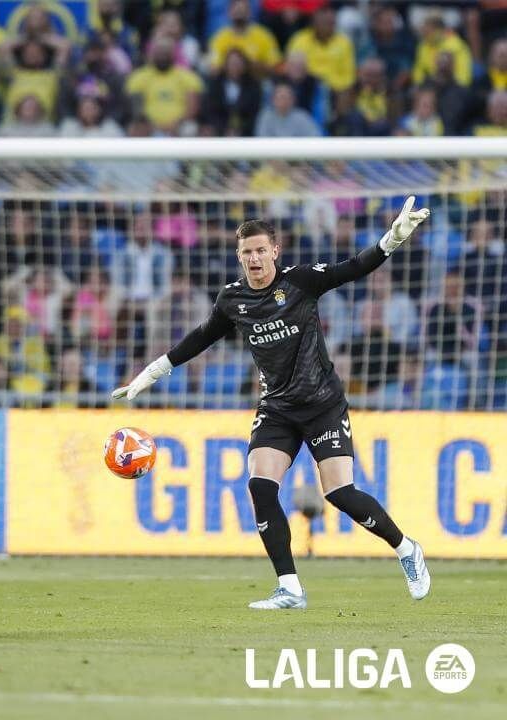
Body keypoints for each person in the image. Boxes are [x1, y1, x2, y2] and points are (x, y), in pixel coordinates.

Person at [114, 199, 433, 609]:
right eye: (247, 252)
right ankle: (290, 588)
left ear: (275, 252)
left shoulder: (300, 281)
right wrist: (148, 374)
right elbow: (199, 338)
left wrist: (392, 239)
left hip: (322, 404)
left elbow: (353, 267)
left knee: (338, 492)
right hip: (278, 408)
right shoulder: (233, 300)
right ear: (239, 257)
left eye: (261, 250)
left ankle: (407, 548)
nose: (255, 258)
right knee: (261, 486)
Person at [207, 0, 282, 76]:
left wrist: (253, 66)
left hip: (257, 82)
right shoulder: (220, 38)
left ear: (250, 13)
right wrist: (234, 65)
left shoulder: (264, 36)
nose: (239, 13)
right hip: (228, 83)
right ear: (228, 13)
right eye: (237, 10)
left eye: (243, 10)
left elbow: (277, 67)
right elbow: (214, 69)